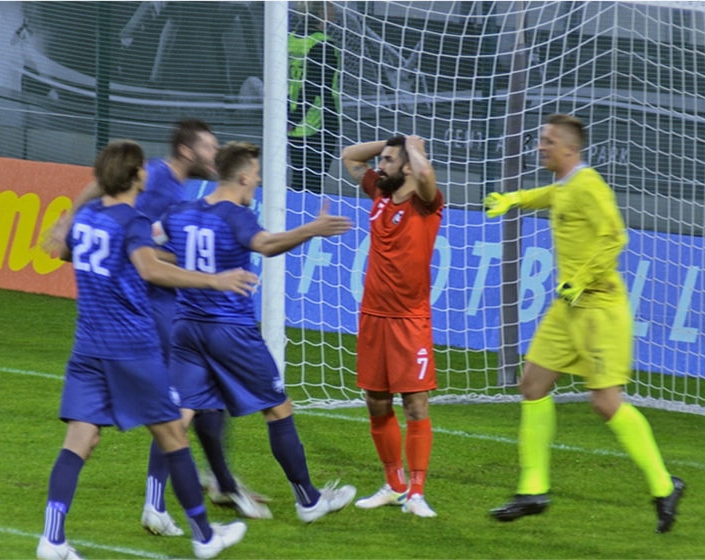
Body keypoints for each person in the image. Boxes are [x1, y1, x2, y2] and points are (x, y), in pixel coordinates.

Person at [43, 120, 270, 533]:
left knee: (192, 405)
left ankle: (215, 485)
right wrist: (207, 273)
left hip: (110, 326)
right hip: (151, 314)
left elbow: (101, 195)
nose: (215, 154)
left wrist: (72, 223)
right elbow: (146, 259)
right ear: (185, 151)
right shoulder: (158, 182)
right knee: (180, 411)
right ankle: (175, 512)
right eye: (209, 147)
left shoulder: (154, 192)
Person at [483, 114, 685, 533]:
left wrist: (582, 278)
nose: (540, 146)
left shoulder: (589, 185)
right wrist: (515, 199)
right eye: (541, 139)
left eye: (548, 141)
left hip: (598, 306)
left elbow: (616, 237)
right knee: (533, 384)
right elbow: (553, 197)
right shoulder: (567, 185)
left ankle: (665, 487)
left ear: (569, 149)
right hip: (568, 305)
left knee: (605, 402)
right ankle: (533, 489)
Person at [155, 140, 357, 523]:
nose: (257, 182)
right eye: (257, 176)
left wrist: (186, 268)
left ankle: (156, 506)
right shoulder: (236, 216)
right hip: (229, 330)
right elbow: (266, 245)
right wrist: (311, 229)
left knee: (178, 416)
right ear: (244, 176)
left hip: (186, 329)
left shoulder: (181, 212)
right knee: (278, 409)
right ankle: (309, 500)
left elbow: (149, 245)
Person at [340, 134, 443, 518]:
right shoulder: (379, 192)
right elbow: (350, 157)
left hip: (409, 321)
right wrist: (389, 142)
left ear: (407, 168)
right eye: (381, 160)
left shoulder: (426, 203)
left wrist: (414, 149)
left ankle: (416, 492)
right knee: (376, 401)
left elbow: (427, 174)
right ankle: (394, 484)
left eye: (387, 161)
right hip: (373, 317)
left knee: (415, 404)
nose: (379, 166)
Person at [287, 1, 340, 193]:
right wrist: (297, 117)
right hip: (318, 120)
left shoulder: (291, 39)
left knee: (299, 178)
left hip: (293, 116)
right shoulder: (323, 43)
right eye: (332, 6)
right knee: (313, 182)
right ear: (322, 11)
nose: (336, 10)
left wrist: (290, 116)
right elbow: (314, 86)